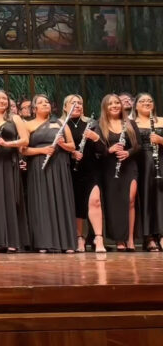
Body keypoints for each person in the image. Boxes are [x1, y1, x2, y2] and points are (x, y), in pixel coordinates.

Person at [22, 94, 77, 253]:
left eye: (47, 102)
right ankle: (43, 242)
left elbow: (72, 146)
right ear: (34, 109)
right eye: (41, 102)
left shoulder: (60, 123)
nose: (45, 104)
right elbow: (23, 150)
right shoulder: (27, 125)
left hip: (59, 166)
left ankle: (66, 243)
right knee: (41, 202)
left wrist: (62, 144)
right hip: (38, 166)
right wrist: (42, 150)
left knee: (61, 201)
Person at [0, 90, 30, 252]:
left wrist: (7, 144)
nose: (2, 101)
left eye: (4, 99)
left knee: (11, 198)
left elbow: (25, 140)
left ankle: (13, 240)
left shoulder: (14, 118)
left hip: (9, 162)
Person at [98, 93, 140, 251]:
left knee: (130, 200)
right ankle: (119, 239)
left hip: (129, 165)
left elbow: (138, 146)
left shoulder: (129, 123)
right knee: (114, 203)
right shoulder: (99, 125)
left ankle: (130, 238)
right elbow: (97, 150)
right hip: (110, 167)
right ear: (105, 107)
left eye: (117, 103)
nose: (114, 106)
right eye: (110, 104)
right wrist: (109, 150)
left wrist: (128, 152)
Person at [63, 95, 106, 253]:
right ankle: (79, 237)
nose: (77, 105)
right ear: (65, 107)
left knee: (95, 201)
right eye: (73, 103)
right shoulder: (62, 125)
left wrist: (96, 138)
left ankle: (98, 238)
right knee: (76, 204)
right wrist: (72, 153)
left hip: (91, 169)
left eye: (80, 103)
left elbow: (102, 150)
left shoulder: (91, 124)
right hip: (70, 169)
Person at [131, 93, 163, 251]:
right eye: (142, 101)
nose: (147, 103)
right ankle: (148, 237)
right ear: (136, 105)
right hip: (141, 163)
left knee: (160, 197)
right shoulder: (131, 123)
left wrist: (161, 140)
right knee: (145, 197)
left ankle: (161, 235)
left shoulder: (162, 120)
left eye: (150, 100)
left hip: (160, 161)